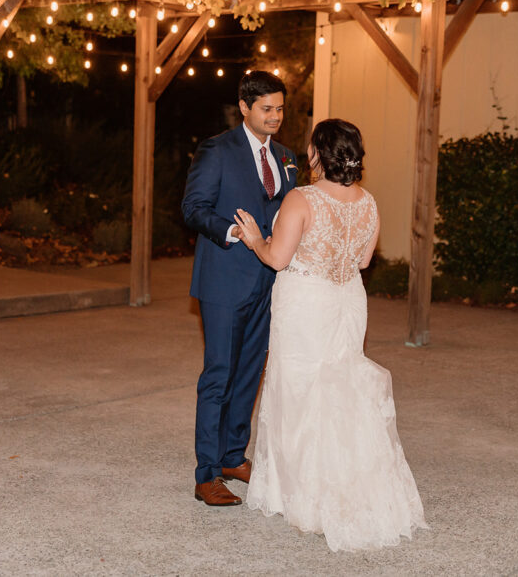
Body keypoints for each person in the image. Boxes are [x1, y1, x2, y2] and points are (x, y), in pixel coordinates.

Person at [233, 119, 427, 551]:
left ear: (318, 154)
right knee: (342, 385)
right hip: (347, 302)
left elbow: (278, 259)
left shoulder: (301, 199)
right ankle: (350, 485)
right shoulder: (369, 203)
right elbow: (360, 262)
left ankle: (303, 496)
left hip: (306, 303)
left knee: (300, 389)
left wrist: (253, 239)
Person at [182, 70, 297, 506]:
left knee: (250, 374)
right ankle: (207, 473)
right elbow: (193, 208)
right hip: (225, 280)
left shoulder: (286, 156)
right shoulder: (217, 150)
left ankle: (233, 455)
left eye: (280, 108)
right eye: (266, 109)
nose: (275, 116)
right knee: (218, 376)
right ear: (245, 108)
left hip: (270, 282)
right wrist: (232, 231)